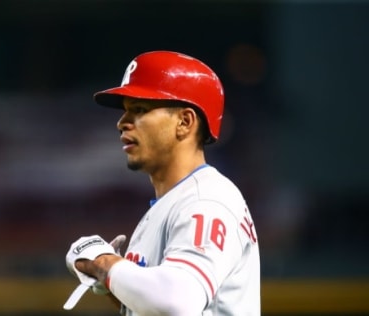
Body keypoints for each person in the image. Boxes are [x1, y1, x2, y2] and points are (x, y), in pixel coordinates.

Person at [65, 51, 260, 315]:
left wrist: (105, 263)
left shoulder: (206, 200)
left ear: (185, 122)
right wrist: (112, 283)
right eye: (125, 111)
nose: (122, 122)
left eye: (140, 109)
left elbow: (176, 302)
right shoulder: (174, 203)